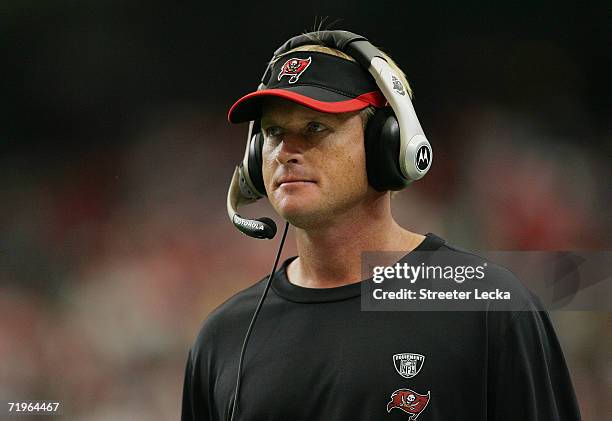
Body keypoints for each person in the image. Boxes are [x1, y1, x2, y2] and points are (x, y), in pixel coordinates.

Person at [181, 30, 581, 421]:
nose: (286, 152)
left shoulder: (488, 307)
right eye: (273, 133)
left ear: (389, 143)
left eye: (315, 127)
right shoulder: (223, 337)